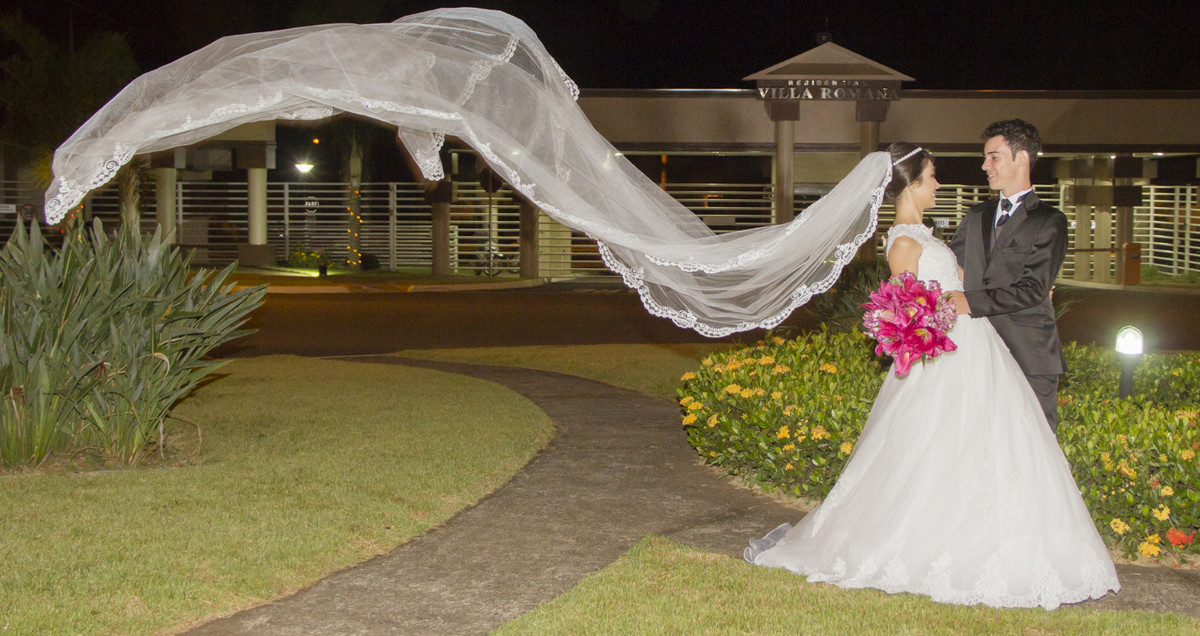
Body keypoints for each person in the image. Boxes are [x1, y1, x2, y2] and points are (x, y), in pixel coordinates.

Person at [744, 143, 1119, 610]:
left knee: (995, 445)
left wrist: (1026, 290)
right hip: (949, 355)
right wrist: (933, 325)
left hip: (979, 348)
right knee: (941, 450)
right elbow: (908, 312)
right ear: (911, 185)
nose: (939, 184)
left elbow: (966, 283)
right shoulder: (904, 242)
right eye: (932, 177)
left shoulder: (925, 233)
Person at [948, 120, 1069, 432]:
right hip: (977, 350)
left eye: (994, 157)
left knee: (1036, 441)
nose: (985, 165)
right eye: (985, 157)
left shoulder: (1049, 221)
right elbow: (949, 267)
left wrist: (970, 302)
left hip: (1029, 352)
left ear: (1022, 158)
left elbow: (1034, 289)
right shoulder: (976, 215)